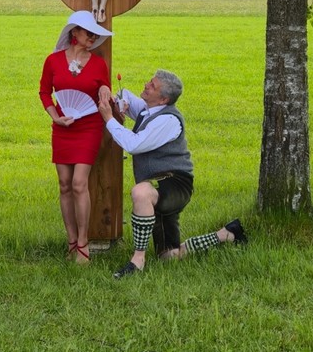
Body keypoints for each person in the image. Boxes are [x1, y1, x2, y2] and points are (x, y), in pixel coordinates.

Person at [96, 69, 248, 279]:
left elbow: (133, 144)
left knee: (141, 192)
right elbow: (126, 97)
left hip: (175, 183)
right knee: (169, 256)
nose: (147, 85)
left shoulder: (167, 120)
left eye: (153, 86)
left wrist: (108, 118)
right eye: (150, 81)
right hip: (158, 185)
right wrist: (113, 95)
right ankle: (228, 234)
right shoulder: (149, 110)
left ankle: (137, 261)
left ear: (164, 99)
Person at [39, 10, 114, 264]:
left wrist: (105, 88)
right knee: (64, 184)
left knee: (79, 183)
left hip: (88, 127)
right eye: (88, 32)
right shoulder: (53, 61)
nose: (92, 37)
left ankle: (83, 244)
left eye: (94, 34)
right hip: (63, 126)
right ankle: (71, 240)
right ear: (75, 33)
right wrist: (54, 116)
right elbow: (44, 92)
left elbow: (105, 89)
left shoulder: (98, 63)